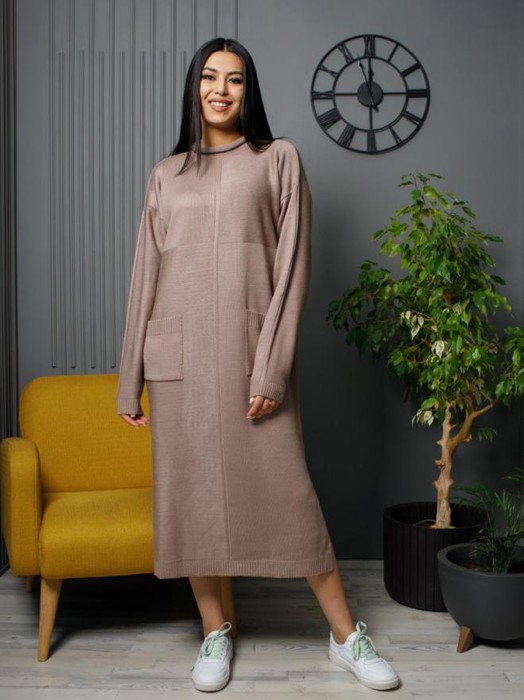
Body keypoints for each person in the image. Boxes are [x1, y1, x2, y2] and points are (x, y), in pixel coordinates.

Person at [116, 37, 400, 693]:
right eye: (210, 77)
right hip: (178, 364)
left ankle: (345, 637)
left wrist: (270, 369)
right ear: (194, 87)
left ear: (249, 91)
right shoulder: (166, 174)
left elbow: (292, 269)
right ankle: (215, 631)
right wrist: (130, 378)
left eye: (235, 79)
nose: (220, 90)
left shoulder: (277, 159)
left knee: (290, 497)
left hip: (251, 358)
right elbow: (144, 277)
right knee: (190, 500)